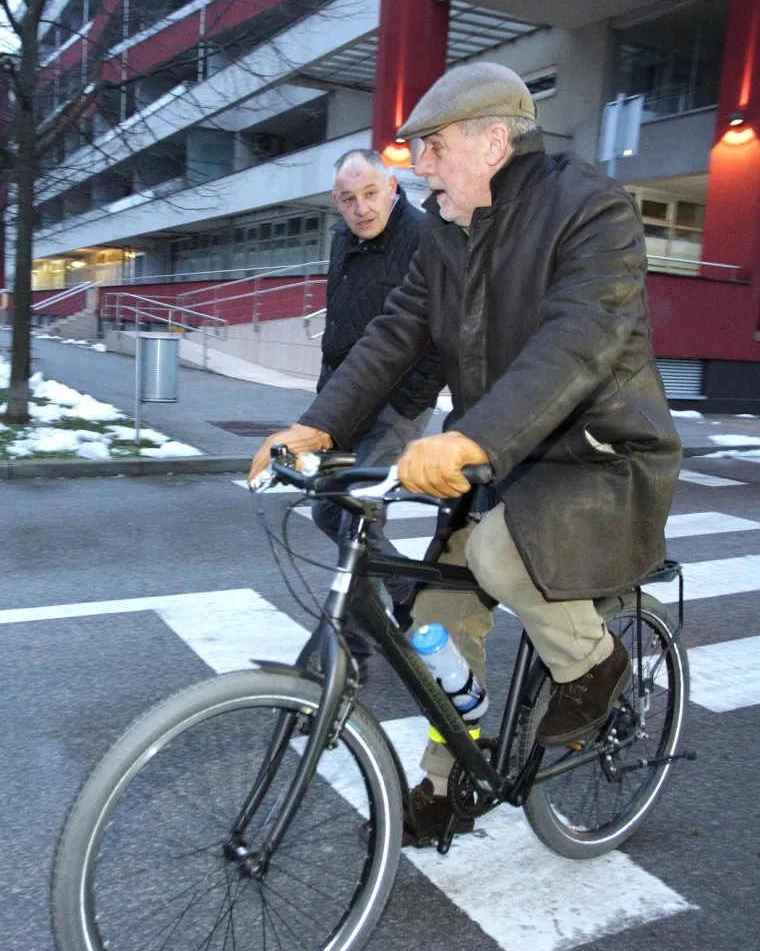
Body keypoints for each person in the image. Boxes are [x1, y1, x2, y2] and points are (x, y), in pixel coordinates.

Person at [249, 62, 682, 845]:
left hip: (598, 456)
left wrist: (475, 436)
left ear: (491, 142)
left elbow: (576, 343)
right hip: (502, 462)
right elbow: (392, 336)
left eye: (430, 145)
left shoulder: (591, 210)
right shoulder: (446, 234)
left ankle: (594, 665)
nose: (416, 164)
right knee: (438, 623)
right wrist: (316, 425)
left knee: (497, 552)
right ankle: (449, 784)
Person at [312, 148, 445, 668]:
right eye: (349, 200)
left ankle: (355, 645)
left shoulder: (424, 237)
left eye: (370, 194)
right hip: (343, 401)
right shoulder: (343, 240)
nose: (361, 209)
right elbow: (340, 329)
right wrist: (322, 411)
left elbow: (441, 334)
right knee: (328, 509)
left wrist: (413, 400)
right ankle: (408, 590)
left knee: (354, 523)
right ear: (336, 202)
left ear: (392, 186)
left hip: (396, 404)